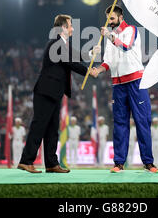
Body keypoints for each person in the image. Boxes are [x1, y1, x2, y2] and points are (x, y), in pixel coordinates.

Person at [18, 14, 98, 174]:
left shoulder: (62, 44)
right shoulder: (55, 43)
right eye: (70, 25)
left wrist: (90, 54)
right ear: (63, 27)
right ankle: (26, 161)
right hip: (46, 91)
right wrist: (89, 71)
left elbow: (74, 56)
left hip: (54, 92)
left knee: (52, 129)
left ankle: (51, 164)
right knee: (39, 126)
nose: (73, 28)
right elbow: (71, 62)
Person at [92, 5, 158, 173]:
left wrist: (109, 35)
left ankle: (148, 163)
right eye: (108, 19)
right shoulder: (109, 38)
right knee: (120, 123)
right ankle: (119, 163)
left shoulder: (131, 30)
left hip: (136, 81)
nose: (110, 22)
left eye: (112, 19)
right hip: (118, 84)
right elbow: (108, 62)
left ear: (120, 17)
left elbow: (126, 46)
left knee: (142, 121)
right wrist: (97, 70)